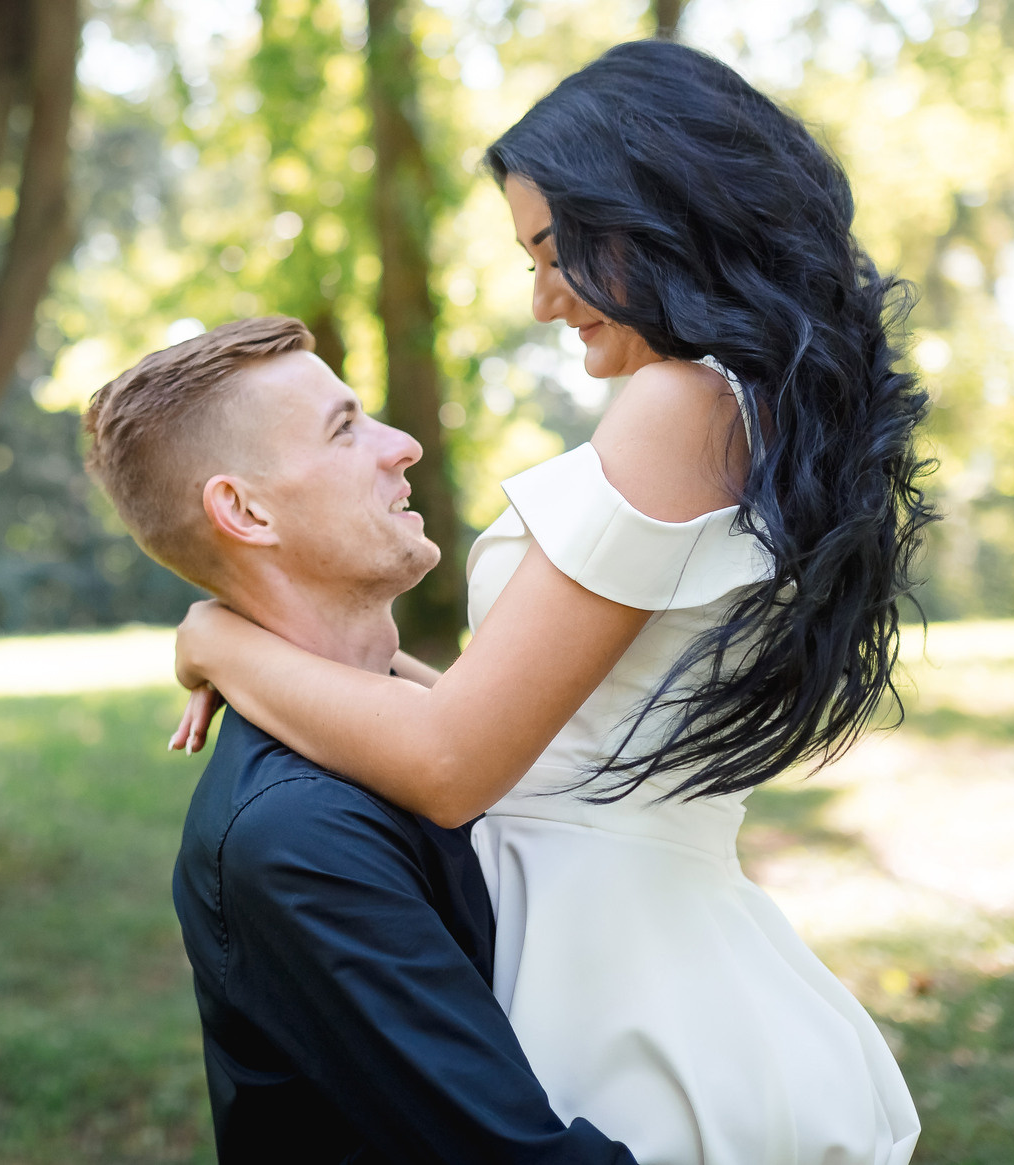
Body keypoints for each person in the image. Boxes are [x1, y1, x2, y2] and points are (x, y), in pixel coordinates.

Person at [172, 40, 928, 1165]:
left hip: (621, 985)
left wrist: (220, 636)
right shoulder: (749, 409)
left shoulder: (677, 404)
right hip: (650, 935)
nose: (539, 298)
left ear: (649, 211)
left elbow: (450, 762)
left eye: (548, 248)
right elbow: (538, 730)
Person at [82, 316, 638, 1165]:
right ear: (244, 508)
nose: (407, 445)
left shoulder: (432, 732)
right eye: (346, 428)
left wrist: (222, 638)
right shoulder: (297, 836)